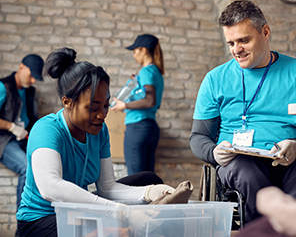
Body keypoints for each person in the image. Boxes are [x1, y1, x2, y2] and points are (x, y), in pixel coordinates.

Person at [16, 47, 192, 237]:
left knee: (150, 179)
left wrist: (150, 192)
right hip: (41, 220)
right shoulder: (47, 129)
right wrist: (118, 212)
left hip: (75, 212)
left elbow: (107, 187)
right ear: (67, 102)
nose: (102, 115)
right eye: (92, 108)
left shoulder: (99, 131)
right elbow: (51, 187)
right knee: (111, 229)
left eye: (106, 105)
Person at [190, 0, 296, 224]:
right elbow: (198, 137)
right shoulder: (215, 79)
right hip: (239, 163)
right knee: (245, 171)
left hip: (288, 161)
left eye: (244, 40)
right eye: (231, 43)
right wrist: (214, 152)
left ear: (265, 32)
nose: (236, 50)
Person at [110, 34, 164, 175]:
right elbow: (154, 103)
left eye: (135, 52)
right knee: (147, 178)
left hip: (137, 128)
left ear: (143, 50)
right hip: (150, 127)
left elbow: (150, 100)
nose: (134, 56)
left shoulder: (146, 71)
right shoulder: (156, 72)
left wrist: (124, 106)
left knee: (135, 177)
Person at [0, 54, 44, 211]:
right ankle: (22, 225)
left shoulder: (29, 92)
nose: (33, 81)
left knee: (45, 164)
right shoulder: (2, 87)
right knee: (26, 168)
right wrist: (11, 127)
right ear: (21, 67)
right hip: (5, 141)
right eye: (32, 76)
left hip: (24, 138)